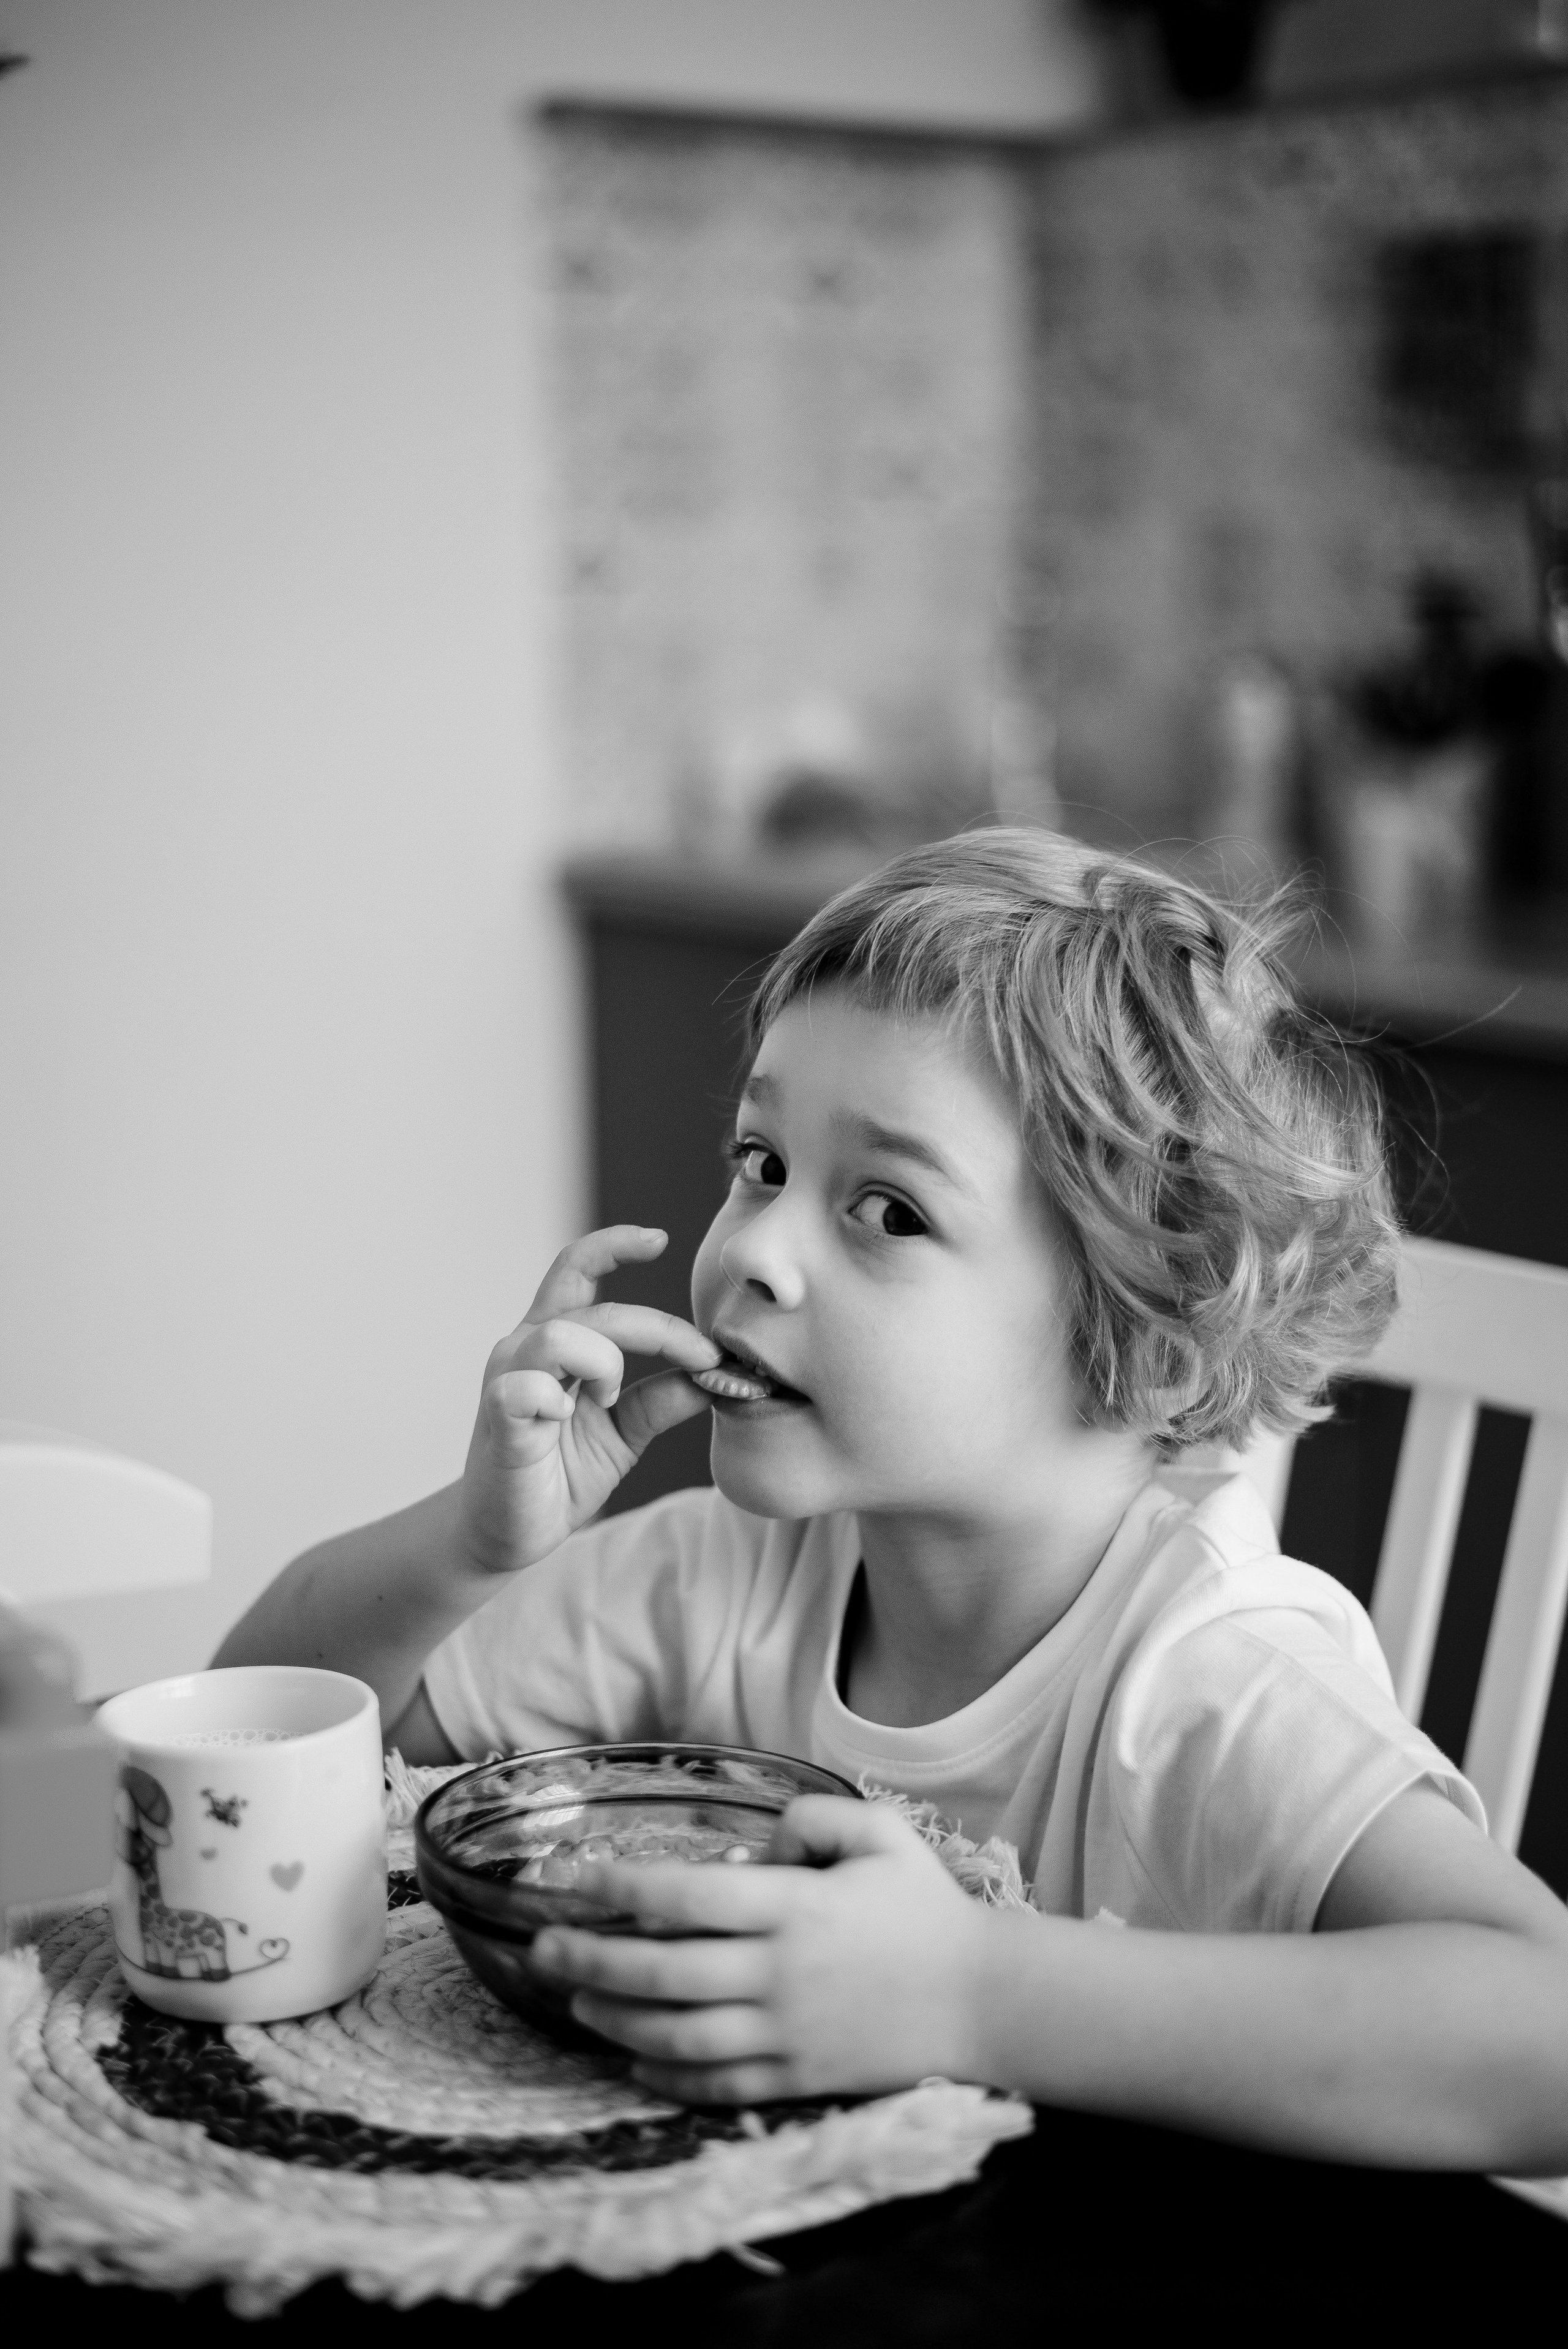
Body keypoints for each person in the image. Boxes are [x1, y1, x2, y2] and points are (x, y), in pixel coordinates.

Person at [217, 829, 1568, 2169]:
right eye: (762, 1161)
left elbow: (1542, 2039)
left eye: (889, 1210)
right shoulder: (722, 1574)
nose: (751, 1251)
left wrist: (968, 1990)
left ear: (1144, 1344)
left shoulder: (1206, 1679)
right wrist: (470, 1545)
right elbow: (258, 1747)